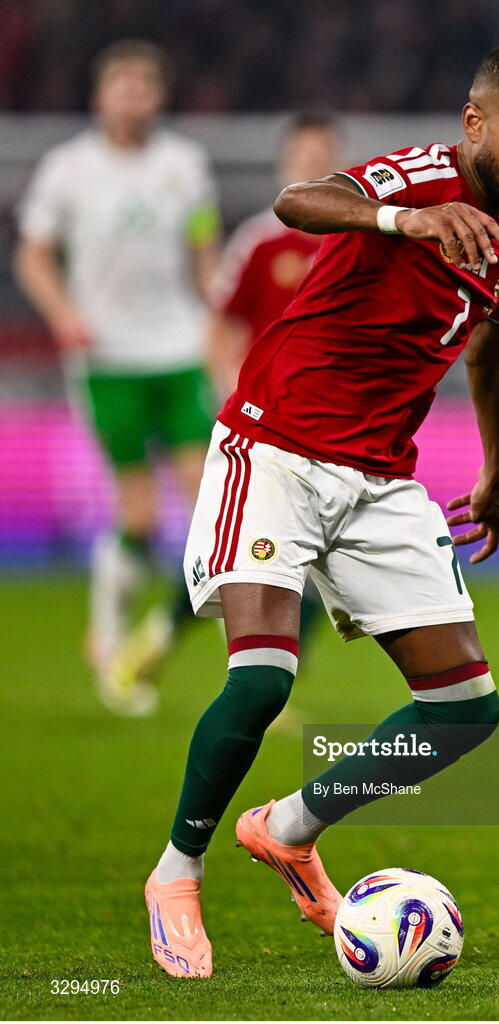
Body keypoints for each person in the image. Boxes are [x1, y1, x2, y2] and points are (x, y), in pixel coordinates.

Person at [145, 44, 499, 978]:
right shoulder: (417, 177)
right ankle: (177, 871)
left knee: (464, 709)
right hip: (276, 449)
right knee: (261, 680)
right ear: (476, 124)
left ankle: (289, 829)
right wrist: (403, 221)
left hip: (382, 477)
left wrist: (496, 463)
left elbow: (492, 352)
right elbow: (298, 199)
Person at [16, 40, 221, 716]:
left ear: (158, 96)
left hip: (179, 350)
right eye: (120, 85)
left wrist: (217, 318)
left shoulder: (185, 167)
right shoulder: (68, 170)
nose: (132, 95)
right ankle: (107, 636)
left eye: (143, 85)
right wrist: (64, 313)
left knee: (207, 502)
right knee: (137, 512)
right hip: (107, 361)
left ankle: (217, 645)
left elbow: (202, 250)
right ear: (100, 97)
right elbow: (34, 256)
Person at [207, 113, 343, 656]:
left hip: (337, 423)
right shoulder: (258, 241)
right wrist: (231, 396)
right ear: (284, 166)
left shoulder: (359, 237)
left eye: (322, 158)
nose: (312, 167)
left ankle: (264, 680)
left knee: (311, 562)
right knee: (266, 558)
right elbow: (219, 323)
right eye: (303, 158)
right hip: (267, 425)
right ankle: (253, 676)